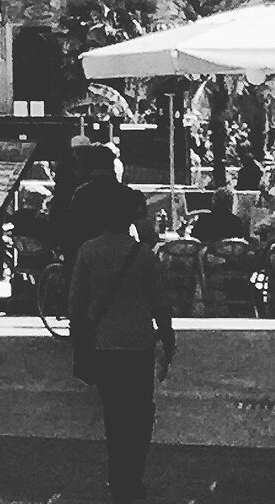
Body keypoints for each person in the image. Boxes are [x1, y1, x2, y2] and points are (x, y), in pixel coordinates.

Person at [69, 186, 175, 504]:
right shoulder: (141, 255)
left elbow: (76, 303)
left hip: (104, 343)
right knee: (141, 412)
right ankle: (134, 475)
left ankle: (118, 476)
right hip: (138, 344)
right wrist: (168, 339)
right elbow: (159, 302)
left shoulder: (88, 251)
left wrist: (79, 342)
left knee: (114, 413)